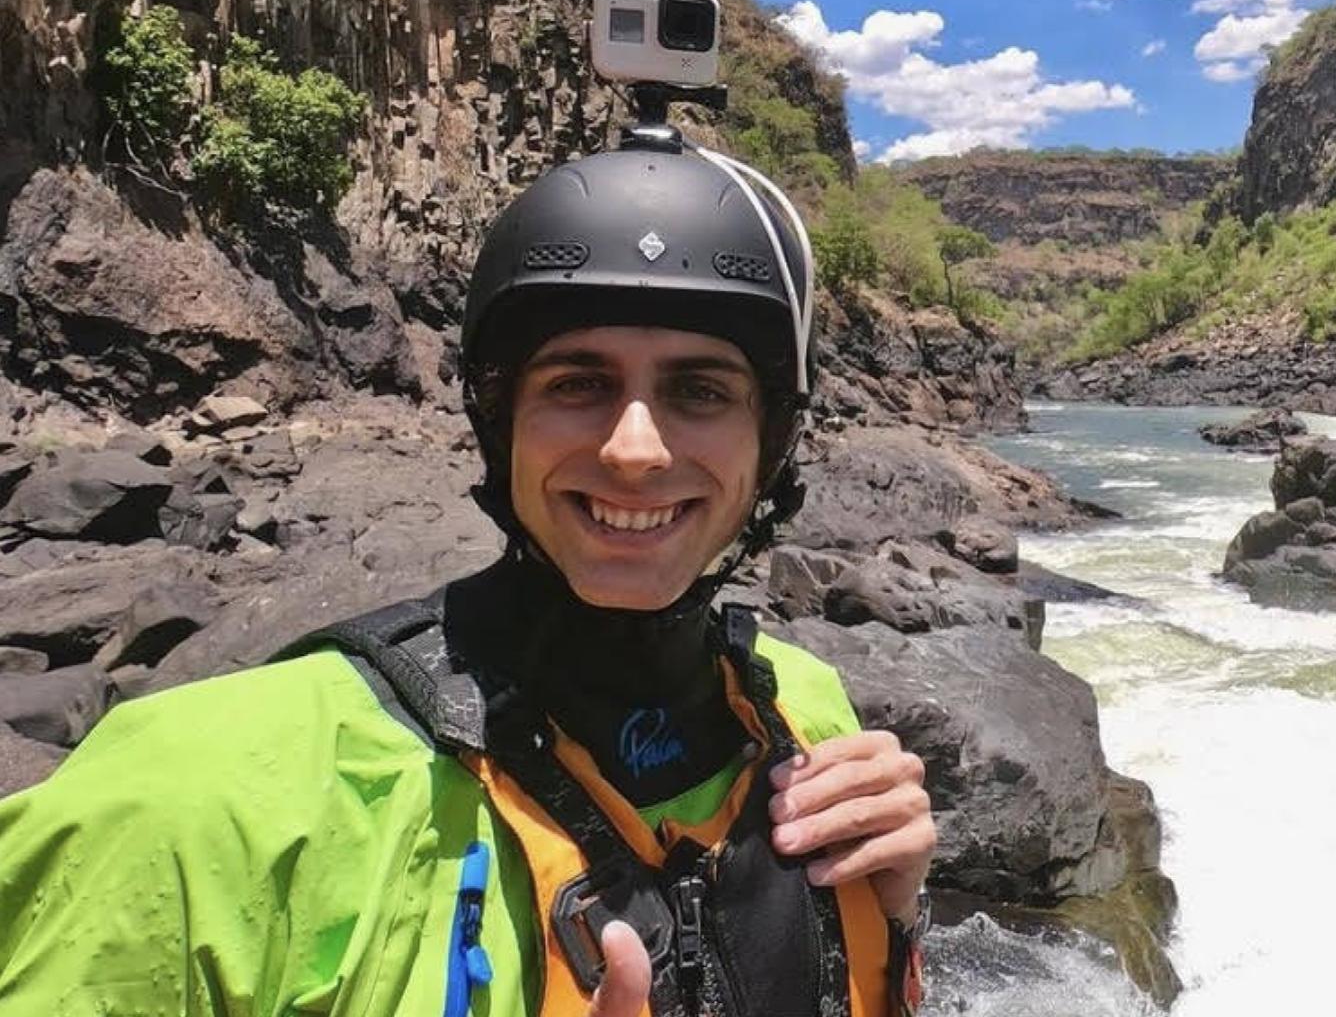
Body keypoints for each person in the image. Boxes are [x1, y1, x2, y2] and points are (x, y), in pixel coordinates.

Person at [0, 131, 937, 1016]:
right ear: (501, 423)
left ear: (770, 445)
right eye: (578, 382)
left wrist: (892, 920)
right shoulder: (190, 802)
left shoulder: (808, 725)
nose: (637, 450)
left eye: (700, 390)